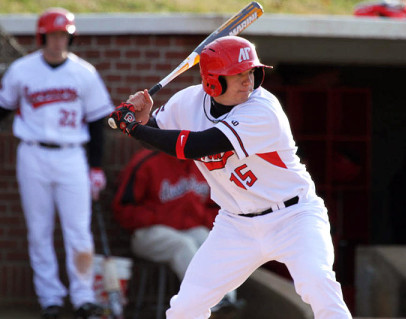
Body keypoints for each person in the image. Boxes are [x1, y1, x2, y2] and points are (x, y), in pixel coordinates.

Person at [109, 35, 352, 319]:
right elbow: (156, 133)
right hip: (236, 224)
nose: (248, 81)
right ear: (212, 81)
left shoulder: (263, 108)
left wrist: (134, 129)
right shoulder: (188, 101)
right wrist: (139, 119)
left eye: (251, 72)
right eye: (238, 75)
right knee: (186, 306)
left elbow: (194, 146)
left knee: (318, 284)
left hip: (294, 216)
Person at [0, 7, 114, 319]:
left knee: (78, 230)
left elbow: (96, 124)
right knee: (39, 230)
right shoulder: (22, 70)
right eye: (52, 35)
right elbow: (4, 108)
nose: (58, 41)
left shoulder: (84, 72)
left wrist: (96, 167)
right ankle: (49, 298)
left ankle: (83, 297)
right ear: (42, 36)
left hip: (72, 155)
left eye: (63, 35)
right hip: (32, 153)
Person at [111, 148, 243, 315]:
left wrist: (199, 217)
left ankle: (226, 301)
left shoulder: (204, 163)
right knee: (183, 244)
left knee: (210, 240)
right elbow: (123, 209)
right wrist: (160, 215)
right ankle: (209, 301)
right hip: (148, 233)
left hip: (188, 229)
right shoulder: (147, 160)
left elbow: (218, 209)